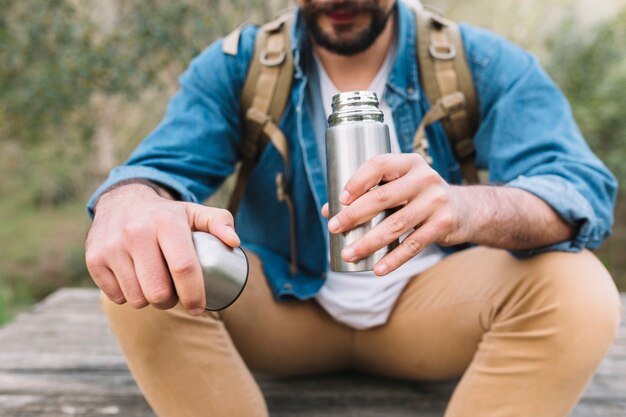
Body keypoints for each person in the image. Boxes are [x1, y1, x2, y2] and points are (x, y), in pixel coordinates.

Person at [84, 0, 622, 416]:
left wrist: (462, 207)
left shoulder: (479, 61)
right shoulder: (237, 66)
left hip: (429, 315)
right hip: (281, 311)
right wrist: (127, 202)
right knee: (145, 261)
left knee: (577, 287)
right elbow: (155, 170)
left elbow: (578, 187)